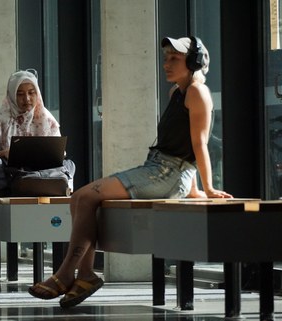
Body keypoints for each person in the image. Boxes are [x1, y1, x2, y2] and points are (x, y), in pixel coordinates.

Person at [28, 36, 233, 308]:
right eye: (166, 57)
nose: (166, 64)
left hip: (167, 173)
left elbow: (199, 143)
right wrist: (192, 186)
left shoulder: (197, 92)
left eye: (175, 58)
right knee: (80, 198)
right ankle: (86, 275)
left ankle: (66, 274)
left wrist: (206, 189)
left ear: (195, 62)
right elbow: (183, 140)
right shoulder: (177, 93)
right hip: (158, 167)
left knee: (86, 197)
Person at [0, 69, 67, 223]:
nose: (27, 99)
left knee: (69, 165)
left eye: (32, 93)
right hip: (9, 172)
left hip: (41, 170)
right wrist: (4, 153)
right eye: (20, 94)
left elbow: (58, 148)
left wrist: (56, 154)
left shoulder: (47, 119)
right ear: (11, 95)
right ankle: (6, 190)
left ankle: (56, 195)